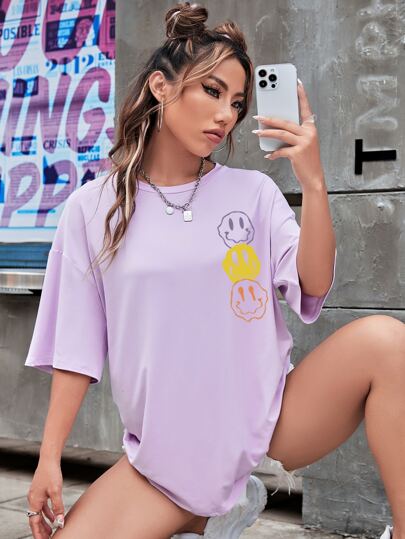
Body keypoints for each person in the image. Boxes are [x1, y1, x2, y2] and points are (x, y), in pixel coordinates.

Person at [23, 2, 404, 539]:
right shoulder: (93, 209)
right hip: (163, 465)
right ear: (160, 86)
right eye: (212, 91)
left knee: (387, 343)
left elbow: (313, 283)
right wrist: (48, 460)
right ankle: (211, 510)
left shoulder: (253, 194)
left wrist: (314, 183)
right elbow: (75, 349)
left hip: (267, 428)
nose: (227, 114)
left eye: (238, 102)